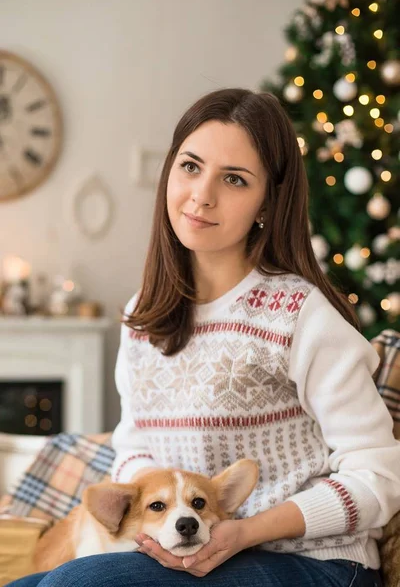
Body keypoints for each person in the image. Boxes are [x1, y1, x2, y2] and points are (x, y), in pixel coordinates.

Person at [8, 88, 400, 587]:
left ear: (267, 202)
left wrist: (244, 531)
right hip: (191, 552)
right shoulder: (143, 315)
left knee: (76, 583)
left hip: (318, 564)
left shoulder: (302, 316)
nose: (202, 195)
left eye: (234, 179)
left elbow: (380, 478)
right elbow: (135, 448)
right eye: (191, 167)